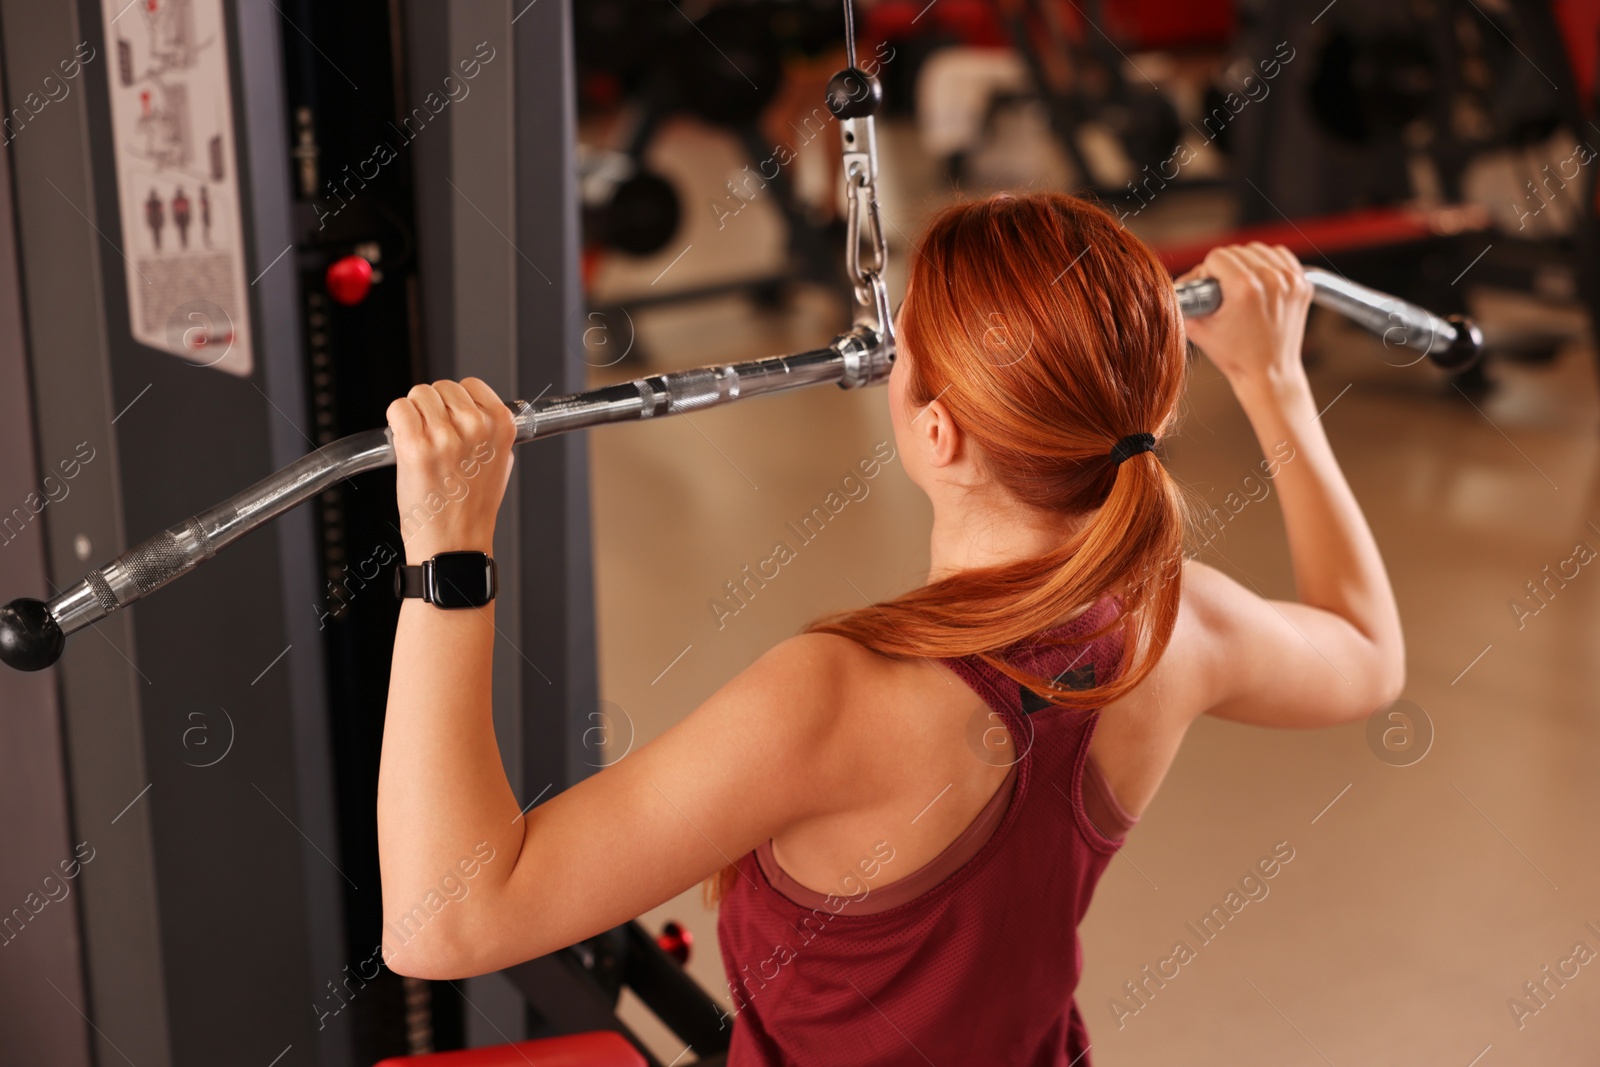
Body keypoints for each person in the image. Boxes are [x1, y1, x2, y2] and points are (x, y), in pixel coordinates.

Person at [374, 192, 1404, 1065]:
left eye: (901, 355)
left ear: (936, 430)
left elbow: (447, 920)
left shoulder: (835, 697)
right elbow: (1366, 653)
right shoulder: (1176, 619)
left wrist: (448, 553)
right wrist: (1275, 379)